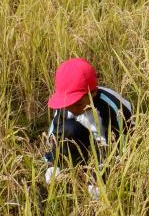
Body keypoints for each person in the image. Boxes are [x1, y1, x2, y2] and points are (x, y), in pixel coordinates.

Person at [43, 58, 134, 198]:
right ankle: (76, 171)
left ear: (93, 93)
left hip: (110, 139)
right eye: (68, 103)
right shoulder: (65, 106)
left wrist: (98, 181)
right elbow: (54, 137)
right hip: (83, 135)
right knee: (68, 129)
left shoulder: (112, 109)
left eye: (78, 103)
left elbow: (121, 148)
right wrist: (53, 165)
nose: (72, 108)